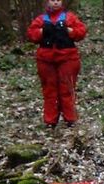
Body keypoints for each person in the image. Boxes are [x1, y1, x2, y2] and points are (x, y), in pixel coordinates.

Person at [27, 0, 87, 128]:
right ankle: (50, 121)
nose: (55, 3)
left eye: (58, 0)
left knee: (67, 90)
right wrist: (43, 32)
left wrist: (69, 31)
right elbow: (31, 35)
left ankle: (70, 119)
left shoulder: (69, 17)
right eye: (52, 0)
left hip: (68, 58)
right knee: (50, 90)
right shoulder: (41, 19)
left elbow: (81, 31)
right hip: (46, 60)